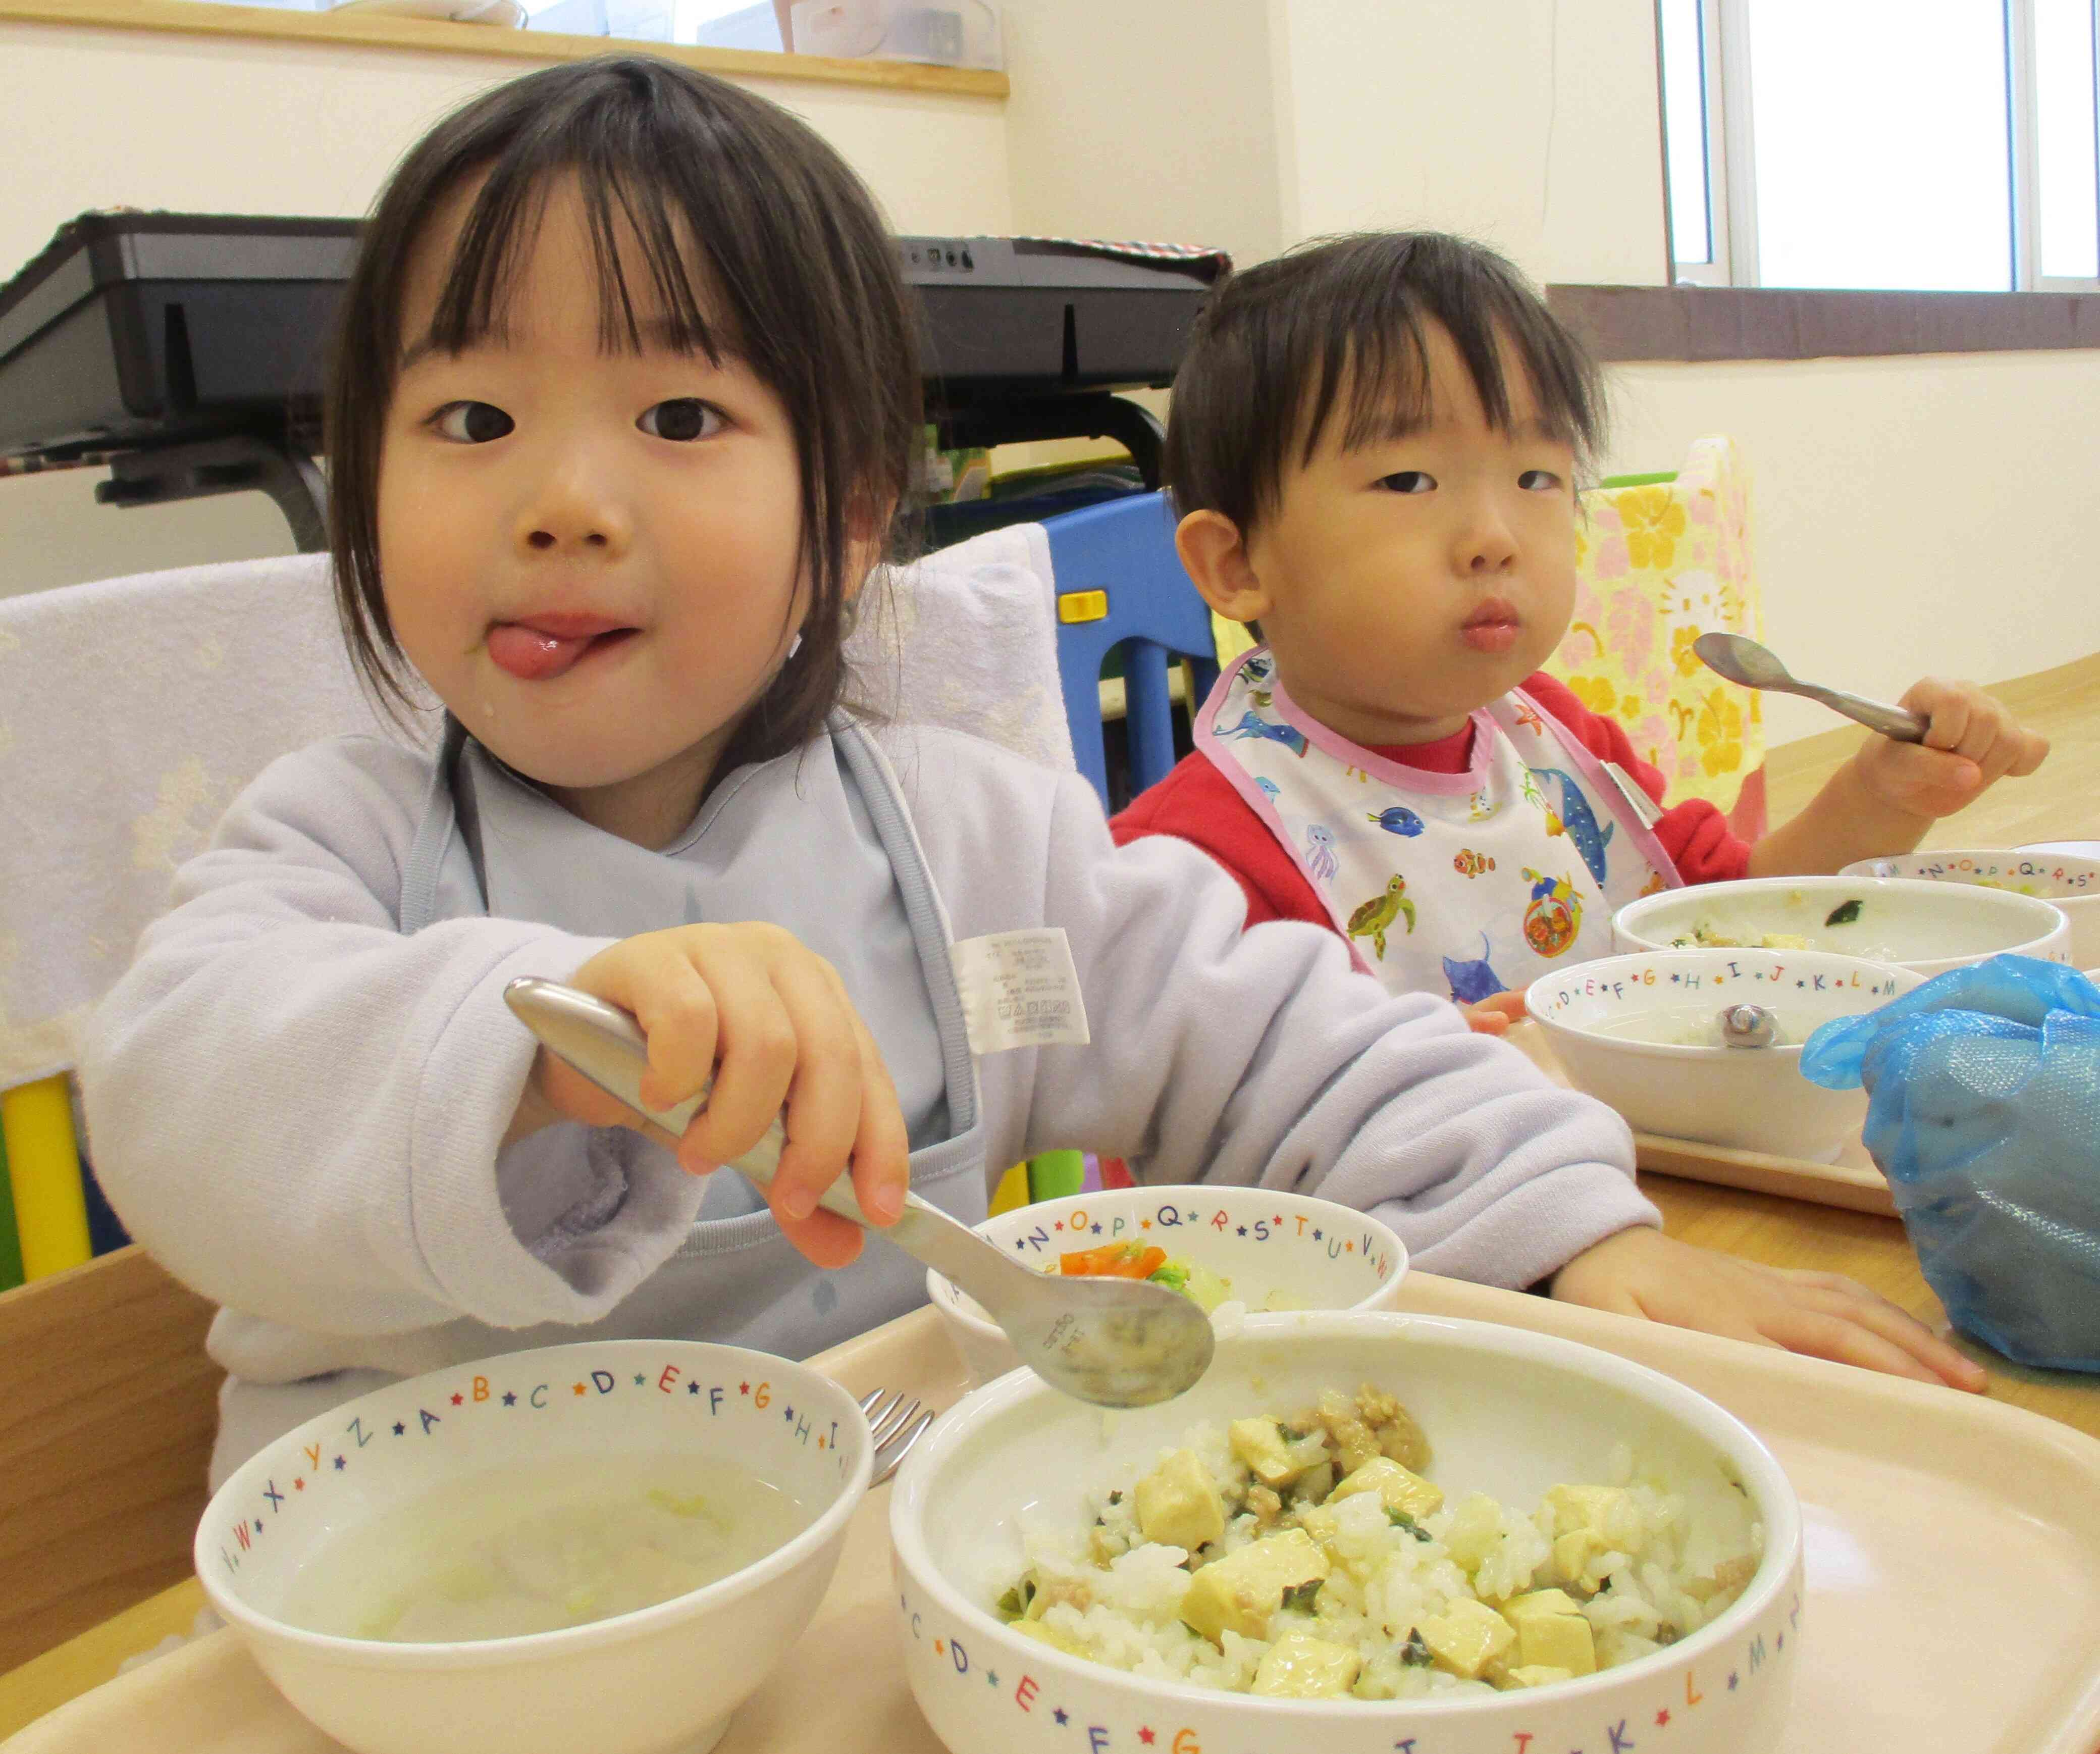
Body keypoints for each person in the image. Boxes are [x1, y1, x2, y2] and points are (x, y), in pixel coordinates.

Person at [80, 60, 1762, 1487]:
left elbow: (1294, 1043)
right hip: (441, 1621)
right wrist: (540, 1037)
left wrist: (1571, 1227)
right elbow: (183, 1102)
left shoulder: (967, 839)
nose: (562, 502)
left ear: (858, 518)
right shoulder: (340, 843)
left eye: (677, 418)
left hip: (887, 1588)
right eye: (468, 423)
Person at [1112, 232, 2048, 1045]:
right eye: (1407, 481)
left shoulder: (1553, 743)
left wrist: (1880, 794)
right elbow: (1182, 1152)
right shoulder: (1192, 857)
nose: (1495, 537)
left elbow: (1732, 914)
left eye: (1536, 476)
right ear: (1236, 567)